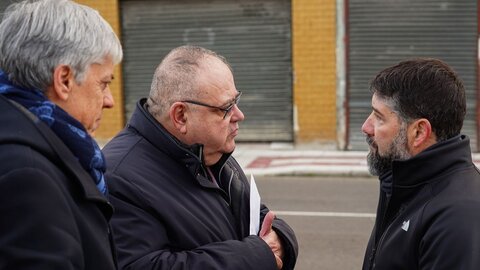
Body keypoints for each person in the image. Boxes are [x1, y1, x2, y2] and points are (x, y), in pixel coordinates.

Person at [102, 45, 298, 270]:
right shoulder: (119, 177)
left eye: (236, 101)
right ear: (181, 116)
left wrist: (281, 240)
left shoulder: (210, 154)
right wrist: (257, 256)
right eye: (226, 108)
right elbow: (144, 265)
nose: (239, 115)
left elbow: (259, 218)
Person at [0, 0, 123, 268]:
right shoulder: (28, 175)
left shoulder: (30, 143)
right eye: (103, 83)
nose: (110, 101)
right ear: (64, 79)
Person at [361, 58, 480, 269]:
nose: (366, 127)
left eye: (379, 117)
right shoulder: (402, 181)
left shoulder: (458, 219)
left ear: (418, 132)